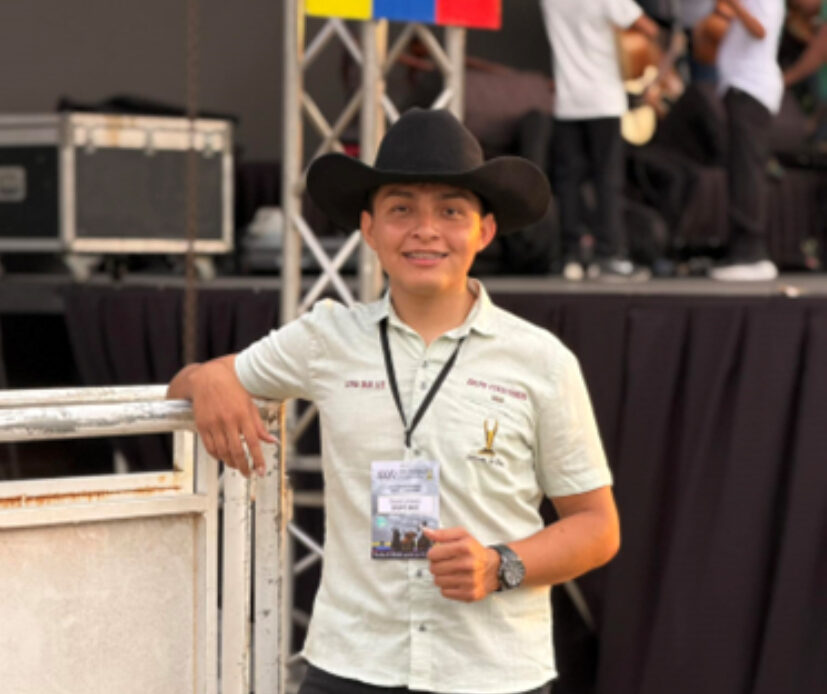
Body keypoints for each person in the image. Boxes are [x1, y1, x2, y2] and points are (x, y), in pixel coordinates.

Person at [168, 108, 620, 694]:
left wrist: (500, 565)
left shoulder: (541, 361)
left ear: (484, 231)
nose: (425, 229)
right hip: (351, 666)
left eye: (451, 211)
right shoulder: (327, 338)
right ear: (370, 229)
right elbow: (191, 384)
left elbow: (597, 526)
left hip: (491, 673)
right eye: (401, 209)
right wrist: (207, 377)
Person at [540, 0, 659, 280]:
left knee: (568, 181)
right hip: (604, 99)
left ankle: (571, 255)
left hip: (568, 100)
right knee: (608, 179)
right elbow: (648, 28)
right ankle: (609, 254)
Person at [707, 0, 786, 281]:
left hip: (751, 89)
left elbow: (761, 30)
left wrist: (735, 6)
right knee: (741, 171)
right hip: (742, 87)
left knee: (747, 172)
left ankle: (751, 253)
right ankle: (743, 249)